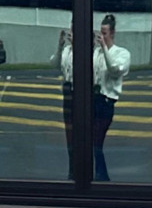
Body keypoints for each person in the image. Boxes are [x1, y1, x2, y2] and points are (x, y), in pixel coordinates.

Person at [55, 15, 130, 181]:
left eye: (104, 33)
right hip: (92, 100)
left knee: (96, 142)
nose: (101, 37)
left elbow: (114, 70)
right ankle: (87, 175)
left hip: (106, 101)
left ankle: (102, 177)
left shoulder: (121, 53)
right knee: (85, 142)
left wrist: (104, 47)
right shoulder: (96, 53)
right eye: (100, 33)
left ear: (112, 33)